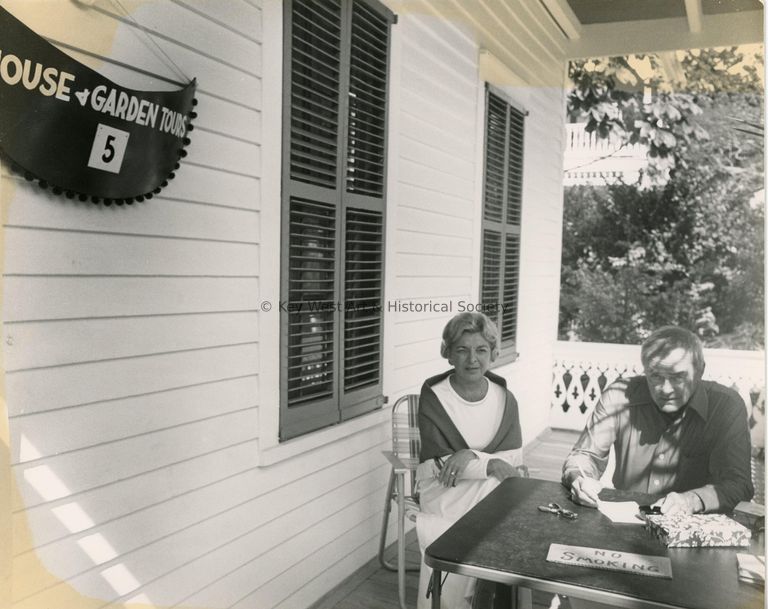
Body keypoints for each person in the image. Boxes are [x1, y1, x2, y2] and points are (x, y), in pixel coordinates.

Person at [563, 325, 754, 515]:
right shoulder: (619, 396)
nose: (666, 389)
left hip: (696, 527)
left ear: (700, 371)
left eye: (678, 377)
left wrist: (693, 500)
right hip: (624, 523)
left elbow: (738, 484)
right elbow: (584, 456)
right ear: (645, 370)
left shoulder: (726, 406)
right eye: (655, 376)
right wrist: (579, 478)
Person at [415, 312, 527, 609]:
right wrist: (486, 463)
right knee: (500, 513)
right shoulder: (434, 396)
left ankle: (478, 596)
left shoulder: (505, 397)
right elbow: (436, 465)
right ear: (448, 354)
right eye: (462, 350)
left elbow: (511, 461)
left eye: (481, 350)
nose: (472, 359)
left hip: (489, 484)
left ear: (492, 354)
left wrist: (471, 456)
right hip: (445, 489)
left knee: (497, 496)